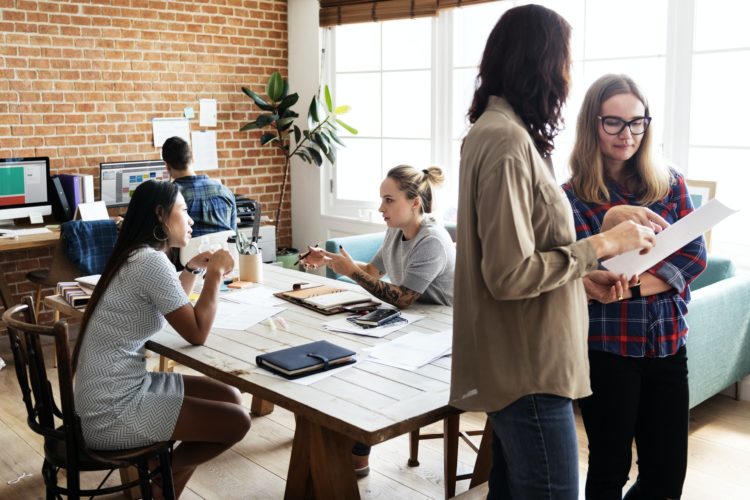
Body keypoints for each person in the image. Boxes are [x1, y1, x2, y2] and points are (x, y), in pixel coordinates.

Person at [449, 6, 659, 499]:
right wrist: (605, 243)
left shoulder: (504, 133)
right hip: (529, 372)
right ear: (540, 63)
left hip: (527, 361)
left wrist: (580, 280)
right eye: (564, 60)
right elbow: (508, 274)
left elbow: (527, 254)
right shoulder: (504, 141)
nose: (568, 75)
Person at [563, 74, 707, 499]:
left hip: (668, 345)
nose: (627, 134)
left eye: (637, 122)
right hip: (607, 351)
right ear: (592, 124)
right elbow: (579, 272)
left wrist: (636, 287)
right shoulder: (569, 198)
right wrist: (605, 276)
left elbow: (694, 255)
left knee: (666, 477)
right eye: (614, 122)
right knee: (608, 469)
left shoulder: (670, 183)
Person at [72, 180, 251, 498]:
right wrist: (216, 275)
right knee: (236, 421)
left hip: (112, 390)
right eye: (183, 210)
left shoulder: (139, 256)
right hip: (113, 410)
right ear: (160, 214)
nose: (191, 219)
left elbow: (174, 306)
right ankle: (159, 482)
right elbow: (196, 333)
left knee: (231, 397)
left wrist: (193, 269)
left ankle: (159, 488)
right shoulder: (150, 262)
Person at [300, 164, 455, 476]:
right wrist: (331, 260)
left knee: (366, 367)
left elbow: (403, 297)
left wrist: (349, 271)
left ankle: (358, 448)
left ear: (414, 203)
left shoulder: (433, 241)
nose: (381, 208)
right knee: (345, 351)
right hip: (413, 325)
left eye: (388, 200)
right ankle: (343, 435)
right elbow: (372, 273)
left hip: (443, 334)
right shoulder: (395, 231)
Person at [162, 136, 237, 237]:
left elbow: (165, 238)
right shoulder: (225, 191)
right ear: (193, 159)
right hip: (225, 252)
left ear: (167, 166)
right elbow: (234, 235)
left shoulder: (169, 196)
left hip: (187, 253)